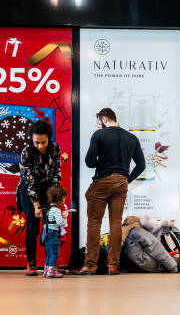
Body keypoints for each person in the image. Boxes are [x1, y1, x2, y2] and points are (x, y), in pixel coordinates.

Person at [79, 108, 146, 276]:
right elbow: (141, 166)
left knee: (94, 223)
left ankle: (91, 265)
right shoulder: (132, 137)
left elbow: (89, 163)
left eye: (98, 121)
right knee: (116, 223)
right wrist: (126, 180)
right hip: (121, 183)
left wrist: (97, 151)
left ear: (103, 119)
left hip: (102, 181)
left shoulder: (99, 135)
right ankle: (113, 266)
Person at [18, 120, 62, 276]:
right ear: (31, 139)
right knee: (33, 226)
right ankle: (31, 263)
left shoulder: (55, 148)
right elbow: (29, 182)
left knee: (51, 227)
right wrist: (37, 205)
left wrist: (54, 199)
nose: (40, 146)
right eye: (36, 142)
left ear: (49, 138)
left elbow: (56, 174)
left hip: (48, 189)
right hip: (28, 190)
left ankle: (50, 264)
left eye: (43, 142)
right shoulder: (26, 152)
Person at [43, 185, 68, 278]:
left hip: (47, 234)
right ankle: (52, 271)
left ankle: (46, 270)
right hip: (53, 234)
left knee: (49, 253)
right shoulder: (56, 210)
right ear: (61, 198)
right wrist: (65, 217)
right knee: (54, 253)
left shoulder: (48, 209)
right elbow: (60, 222)